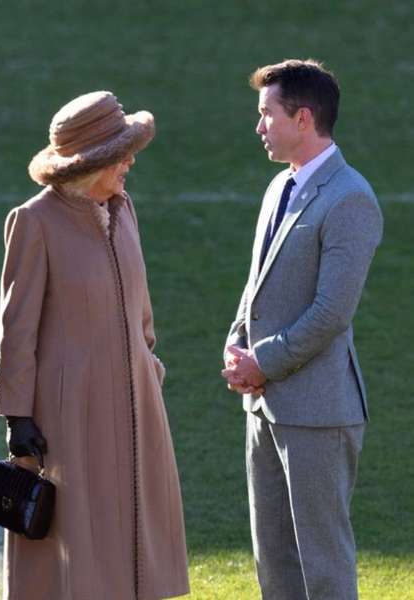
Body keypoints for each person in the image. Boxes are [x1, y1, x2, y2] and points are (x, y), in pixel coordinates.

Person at [0, 91, 189, 600]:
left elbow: (141, 311)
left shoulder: (123, 209)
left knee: (138, 535)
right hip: (69, 413)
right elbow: (16, 326)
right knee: (81, 543)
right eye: (121, 153)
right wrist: (18, 415)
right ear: (91, 162)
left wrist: (149, 368)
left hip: (138, 403)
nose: (130, 162)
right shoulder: (34, 221)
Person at [222, 59, 382, 600]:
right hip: (264, 405)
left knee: (322, 563)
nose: (259, 125)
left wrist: (260, 361)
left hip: (318, 411)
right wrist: (236, 341)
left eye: (267, 113)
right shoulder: (278, 187)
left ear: (304, 117)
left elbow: (331, 313)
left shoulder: (350, 198)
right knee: (274, 559)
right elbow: (257, 285)